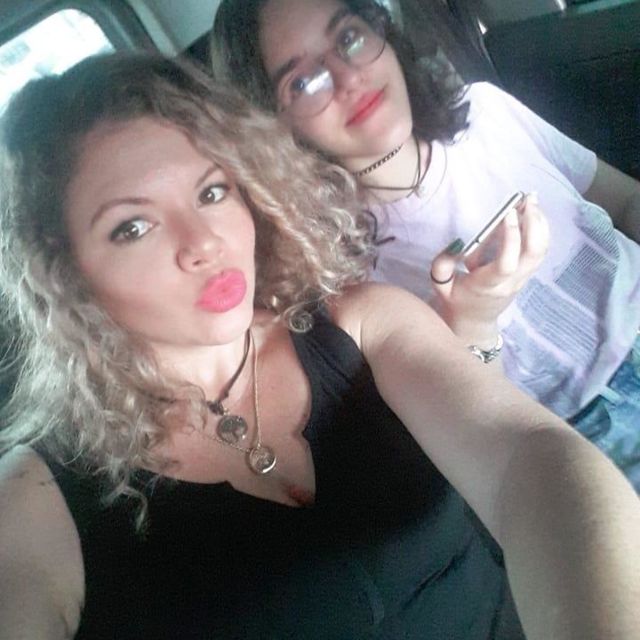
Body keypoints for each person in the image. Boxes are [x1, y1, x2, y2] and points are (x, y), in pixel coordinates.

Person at [0, 52, 639, 640]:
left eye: (212, 191)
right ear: (65, 275)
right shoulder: (32, 502)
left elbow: (532, 462)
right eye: (132, 226)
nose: (204, 242)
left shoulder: (365, 322)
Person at [211, 0, 640, 489]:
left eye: (349, 38)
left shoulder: (485, 112)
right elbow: (483, 431)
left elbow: (624, 200)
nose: (349, 78)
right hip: (586, 437)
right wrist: (475, 320)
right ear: (275, 127)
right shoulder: (340, 276)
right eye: (303, 82)